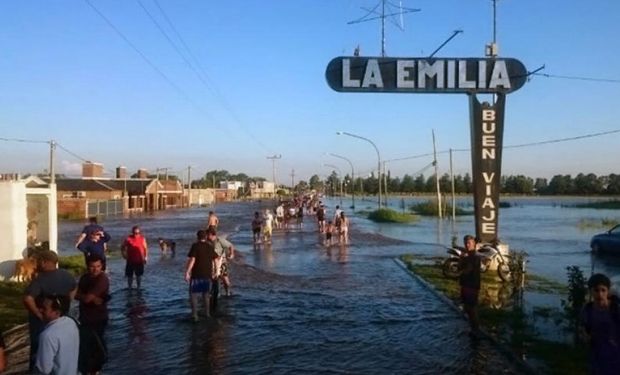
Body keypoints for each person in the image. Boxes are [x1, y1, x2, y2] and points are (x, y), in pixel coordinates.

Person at [23, 250, 77, 372]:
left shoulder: (40, 279)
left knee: (39, 353)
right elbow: (74, 287)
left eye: (38, 261)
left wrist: (37, 313)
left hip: (43, 322)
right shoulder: (66, 275)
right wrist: (67, 303)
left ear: (44, 262)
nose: (36, 264)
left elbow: (27, 298)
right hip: (62, 319)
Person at [579, 273, 620, 374]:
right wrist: (584, 336)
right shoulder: (587, 310)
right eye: (596, 290)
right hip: (597, 357)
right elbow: (583, 329)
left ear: (608, 291)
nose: (600, 294)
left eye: (603, 290)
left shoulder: (616, 309)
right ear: (590, 291)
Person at [75, 254, 110, 366]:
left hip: (98, 318)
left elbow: (85, 298)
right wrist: (89, 297)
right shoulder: (84, 278)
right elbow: (75, 295)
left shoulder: (102, 279)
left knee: (96, 350)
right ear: (87, 266)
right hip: (85, 317)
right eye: (92, 266)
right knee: (86, 348)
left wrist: (86, 297)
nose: (95, 269)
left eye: (98, 266)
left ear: (102, 266)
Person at [34, 294, 79, 375]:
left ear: (57, 312)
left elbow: (44, 370)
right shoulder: (71, 322)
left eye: (44, 308)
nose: (40, 310)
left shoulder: (47, 336)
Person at [185, 230, 220, 322]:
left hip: (196, 274)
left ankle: (195, 315)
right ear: (205, 237)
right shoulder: (209, 246)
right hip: (207, 274)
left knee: (193, 294)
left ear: (197, 237)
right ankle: (207, 314)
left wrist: (187, 272)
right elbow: (216, 259)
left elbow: (192, 260)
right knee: (206, 294)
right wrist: (216, 271)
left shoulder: (195, 246)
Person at [458, 234, 481, 338]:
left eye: (469, 243)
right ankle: (473, 329)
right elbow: (459, 267)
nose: (467, 245)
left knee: (472, 308)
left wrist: (462, 271)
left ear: (474, 243)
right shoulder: (466, 256)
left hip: (472, 285)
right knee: (468, 307)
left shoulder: (475, 256)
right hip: (465, 284)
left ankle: (476, 330)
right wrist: (461, 259)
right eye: (466, 243)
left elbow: (467, 270)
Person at [209, 227, 236, 298]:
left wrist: (231, 254)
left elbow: (231, 246)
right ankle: (214, 293)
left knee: (225, 279)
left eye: (208, 235)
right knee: (213, 278)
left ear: (212, 235)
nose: (207, 237)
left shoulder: (220, 240)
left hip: (221, 261)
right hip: (212, 262)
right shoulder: (208, 242)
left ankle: (228, 292)